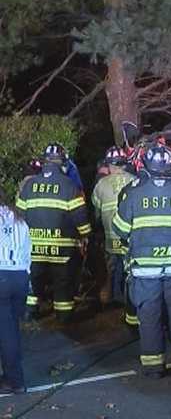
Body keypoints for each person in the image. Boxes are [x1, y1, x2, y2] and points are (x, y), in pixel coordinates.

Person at [112, 143, 171, 378]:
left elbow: (119, 229)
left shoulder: (134, 195)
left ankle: (153, 366)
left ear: (147, 168)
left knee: (149, 315)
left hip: (145, 270)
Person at [17, 143, 92, 322]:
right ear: (62, 163)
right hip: (62, 250)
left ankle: (30, 312)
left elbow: (19, 217)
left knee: (34, 281)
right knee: (62, 282)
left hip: (34, 248)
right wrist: (86, 234)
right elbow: (80, 217)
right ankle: (63, 316)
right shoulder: (69, 186)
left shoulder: (29, 186)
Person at [91, 146, 136, 306]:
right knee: (129, 268)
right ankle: (129, 299)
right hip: (130, 237)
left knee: (113, 268)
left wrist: (97, 229)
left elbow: (96, 212)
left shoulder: (101, 185)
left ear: (109, 165)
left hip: (111, 238)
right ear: (124, 163)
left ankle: (115, 297)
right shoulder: (134, 180)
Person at [0, 189, 31, 394]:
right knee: (10, 329)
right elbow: (29, 252)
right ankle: (13, 377)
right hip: (19, 277)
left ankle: (15, 380)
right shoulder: (19, 219)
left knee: (6, 332)